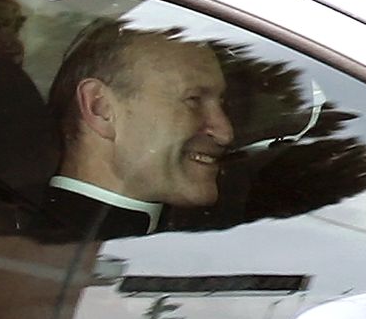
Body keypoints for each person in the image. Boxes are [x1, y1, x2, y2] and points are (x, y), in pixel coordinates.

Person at [40, 20, 235, 241]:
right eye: (193, 100)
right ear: (100, 107)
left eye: (222, 103)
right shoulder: (37, 262)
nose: (225, 133)